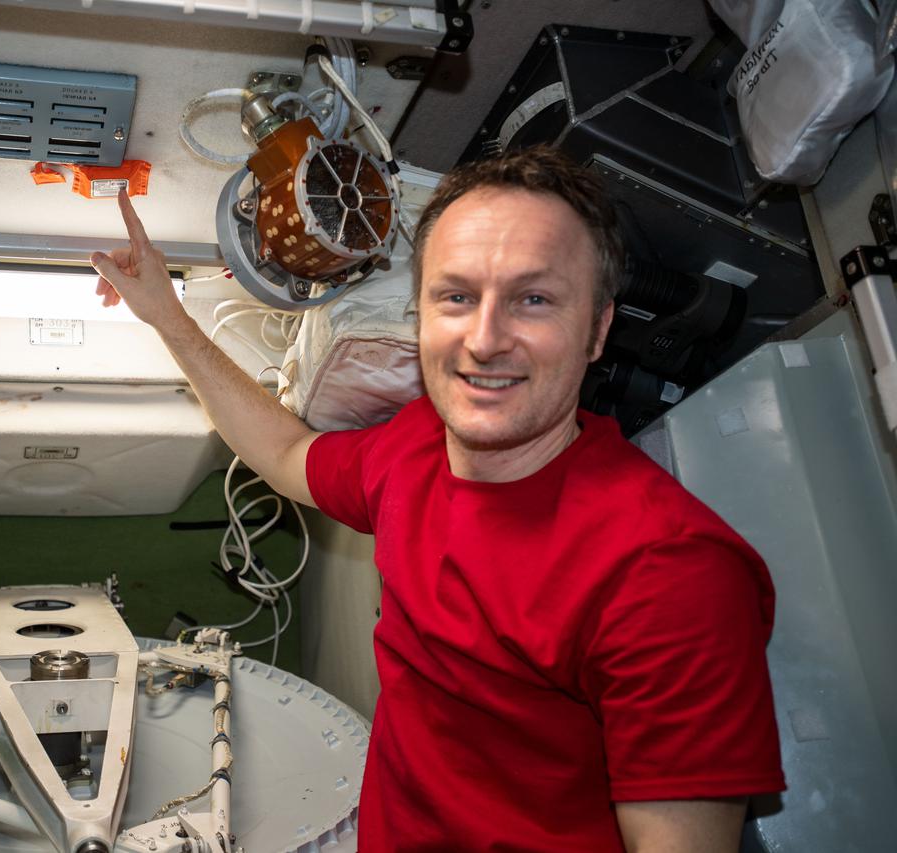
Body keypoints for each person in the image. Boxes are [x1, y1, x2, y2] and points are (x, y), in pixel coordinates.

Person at [89, 146, 784, 852]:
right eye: (456, 296)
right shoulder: (415, 444)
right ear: (419, 313)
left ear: (598, 329)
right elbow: (288, 455)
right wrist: (167, 317)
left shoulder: (670, 574)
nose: (484, 340)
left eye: (533, 299)